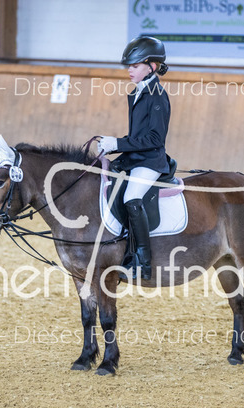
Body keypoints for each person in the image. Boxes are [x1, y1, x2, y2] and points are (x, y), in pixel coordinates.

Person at [97, 36, 171, 281]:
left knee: (131, 197)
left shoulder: (157, 95)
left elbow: (154, 139)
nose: (130, 70)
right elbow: (138, 136)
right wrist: (112, 147)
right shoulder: (138, 92)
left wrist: (118, 144)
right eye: (129, 66)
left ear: (152, 66)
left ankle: (142, 262)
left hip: (150, 161)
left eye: (135, 66)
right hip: (135, 158)